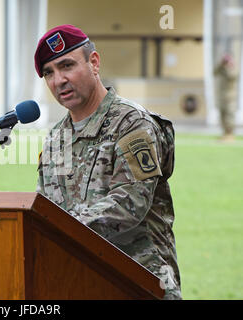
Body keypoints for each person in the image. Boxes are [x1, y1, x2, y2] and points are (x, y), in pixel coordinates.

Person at [35, 25, 181, 300]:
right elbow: (45, 209)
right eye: (49, 73)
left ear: (94, 62)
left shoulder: (132, 124)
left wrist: (59, 230)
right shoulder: (56, 138)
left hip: (138, 281)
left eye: (67, 65)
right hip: (80, 283)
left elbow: (130, 201)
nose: (59, 80)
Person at [214, 53, 238, 142]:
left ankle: (230, 134)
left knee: (229, 116)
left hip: (230, 98)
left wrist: (229, 66)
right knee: (222, 116)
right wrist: (221, 64)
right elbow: (214, 72)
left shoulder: (232, 69)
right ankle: (224, 134)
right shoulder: (221, 69)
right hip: (222, 97)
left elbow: (232, 76)